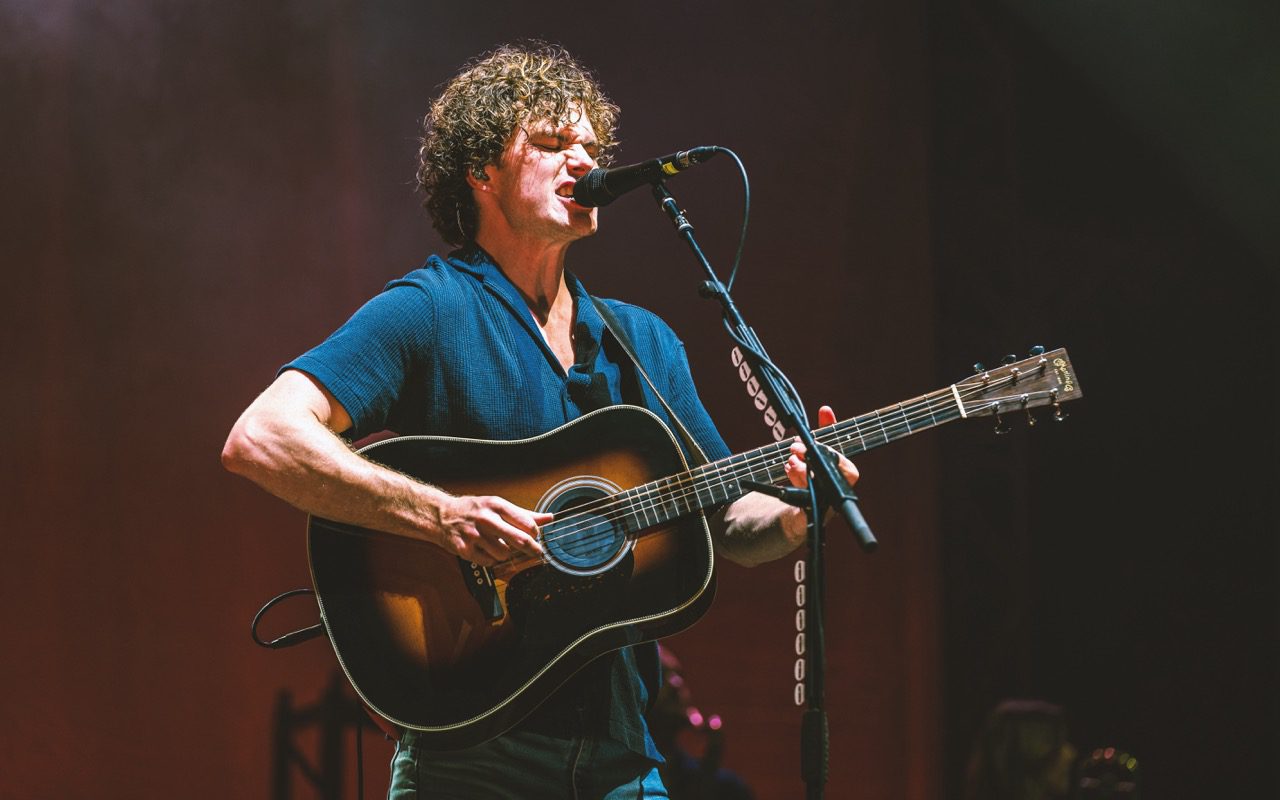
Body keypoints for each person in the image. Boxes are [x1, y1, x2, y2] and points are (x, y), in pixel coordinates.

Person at [222, 42, 858, 799]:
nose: (583, 163)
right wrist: (440, 515)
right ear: (482, 171)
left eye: (591, 146)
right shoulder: (429, 309)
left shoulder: (643, 342)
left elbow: (724, 520)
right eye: (554, 145)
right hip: (468, 755)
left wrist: (793, 512)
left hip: (624, 758)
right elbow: (261, 437)